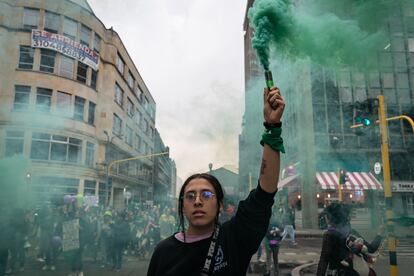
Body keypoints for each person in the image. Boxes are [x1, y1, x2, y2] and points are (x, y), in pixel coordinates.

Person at [147, 85, 285, 275]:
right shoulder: (163, 252)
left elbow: (265, 193)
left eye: (206, 194)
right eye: (190, 196)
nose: (197, 201)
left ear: (220, 204)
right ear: (182, 206)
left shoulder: (234, 238)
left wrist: (272, 126)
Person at [317, 203, 384, 276]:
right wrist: (380, 234)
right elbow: (371, 249)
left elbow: (323, 261)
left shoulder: (329, 235)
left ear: (331, 218)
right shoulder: (352, 232)